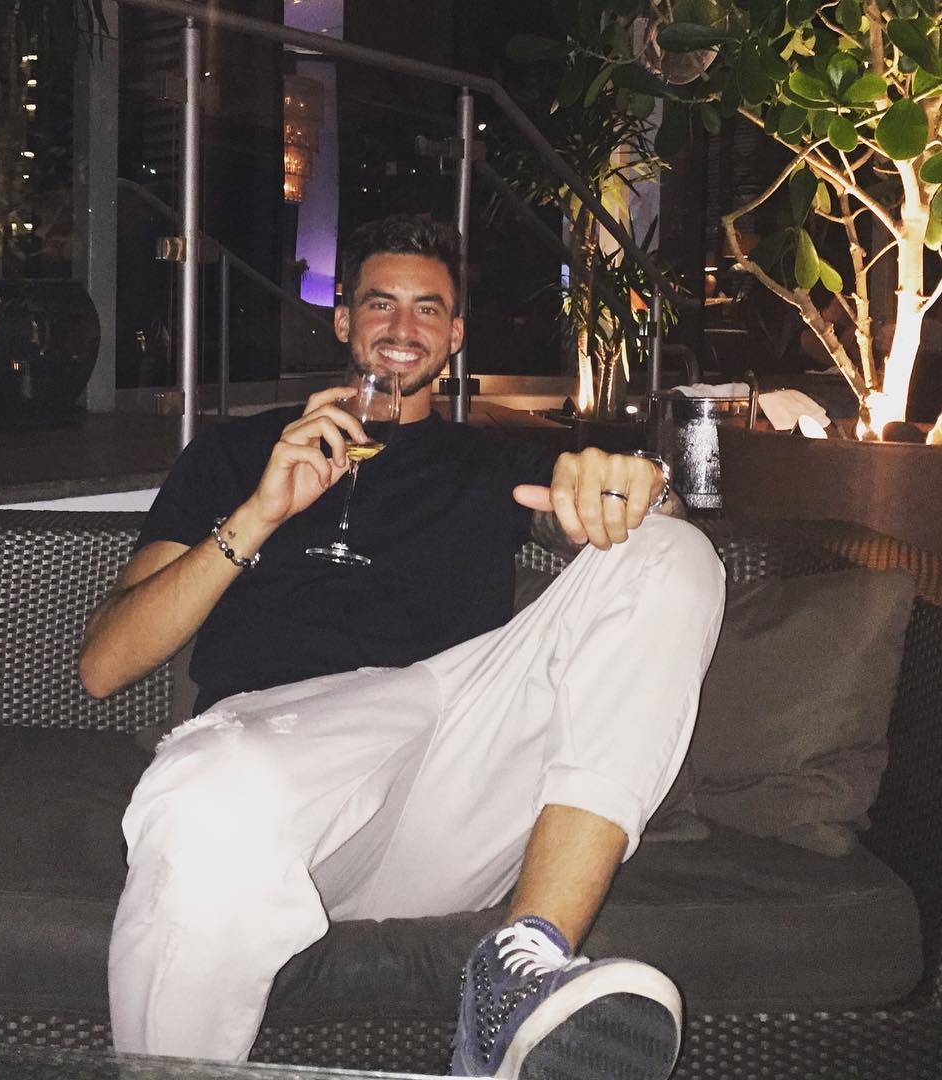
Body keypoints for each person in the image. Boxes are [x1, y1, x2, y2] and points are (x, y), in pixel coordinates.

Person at [80, 214, 726, 1080]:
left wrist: (636, 492)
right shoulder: (234, 452)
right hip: (278, 774)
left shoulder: (490, 460)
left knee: (673, 551)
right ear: (343, 318)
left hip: (451, 754)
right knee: (204, 798)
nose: (402, 326)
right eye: (381, 303)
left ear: (454, 337)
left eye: (429, 309)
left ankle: (522, 967)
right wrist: (260, 514)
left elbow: (619, 530)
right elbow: (105, 665)